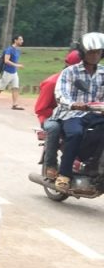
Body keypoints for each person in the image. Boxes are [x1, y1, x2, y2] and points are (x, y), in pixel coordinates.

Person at [52, 32, 104, 192]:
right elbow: (60, 94)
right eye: (91, 52)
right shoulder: (70, 72)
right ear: (82, 53)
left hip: (96, 114)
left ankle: (93, 164)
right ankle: (64, 174)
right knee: (75, 134)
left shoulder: (102, 72)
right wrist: (74, 104)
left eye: (98, 52)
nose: (95, 55)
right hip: (72, 114)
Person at [34, 49, 82, 178]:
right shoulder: (52, 83)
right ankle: (51, 164)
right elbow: (40, 109)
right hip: (51, 117)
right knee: (54, 128)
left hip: (75, 116)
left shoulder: (84, 83)